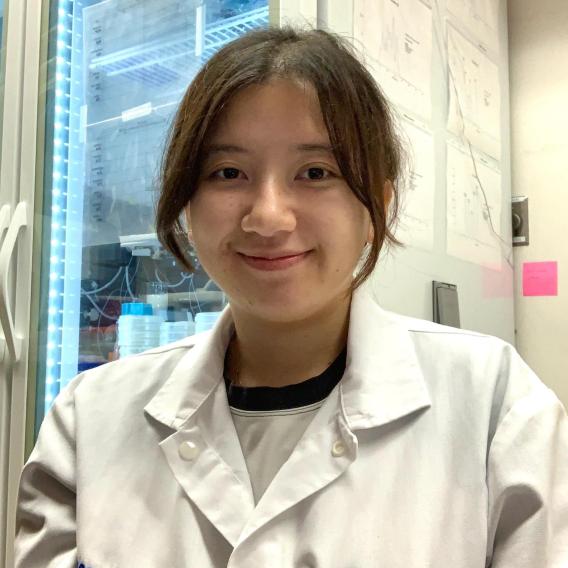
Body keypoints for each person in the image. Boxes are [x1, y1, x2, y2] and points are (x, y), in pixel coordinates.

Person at [15, 25, 568, 567]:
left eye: (315, 172)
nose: (268, 216)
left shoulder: (497, 408)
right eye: (228, 172)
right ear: (187, 204)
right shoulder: (88, 421)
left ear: (376, 207)